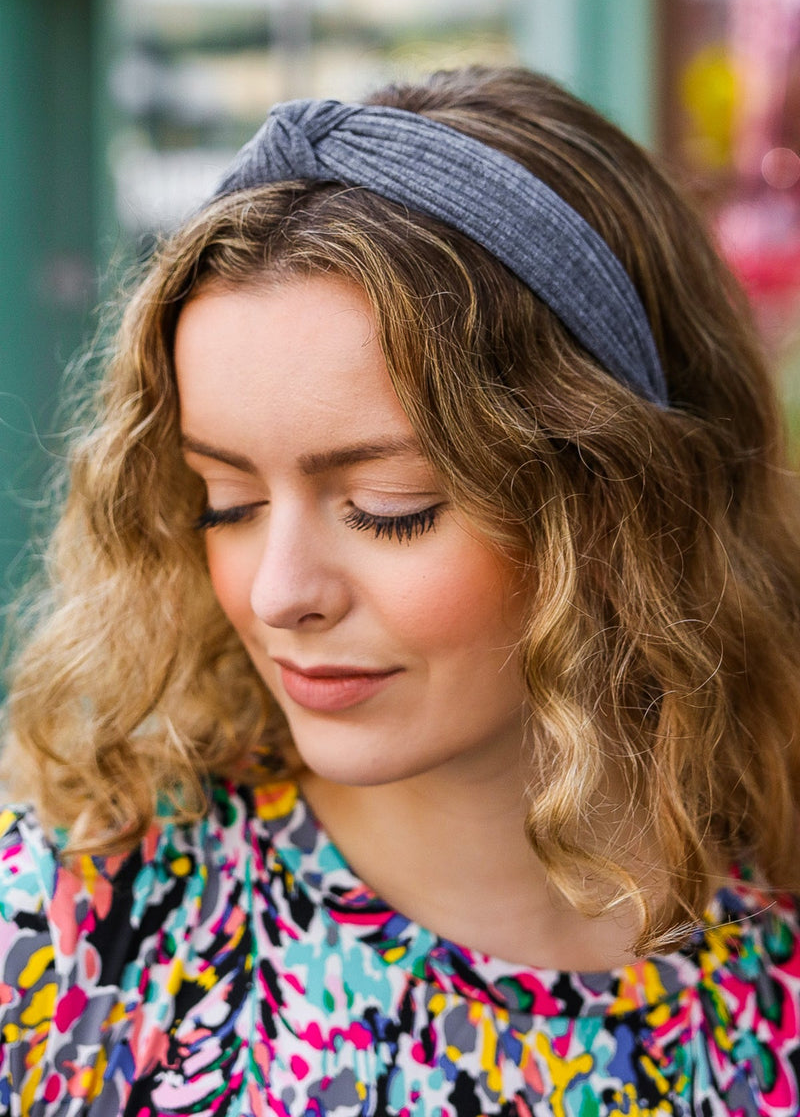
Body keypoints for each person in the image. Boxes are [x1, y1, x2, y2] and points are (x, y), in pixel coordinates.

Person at [0, 65, 799, 1117]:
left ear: (621, 501)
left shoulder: (766, 974)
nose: (279, 593)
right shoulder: (65, 940)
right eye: (225, 500)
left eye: (388, 506)